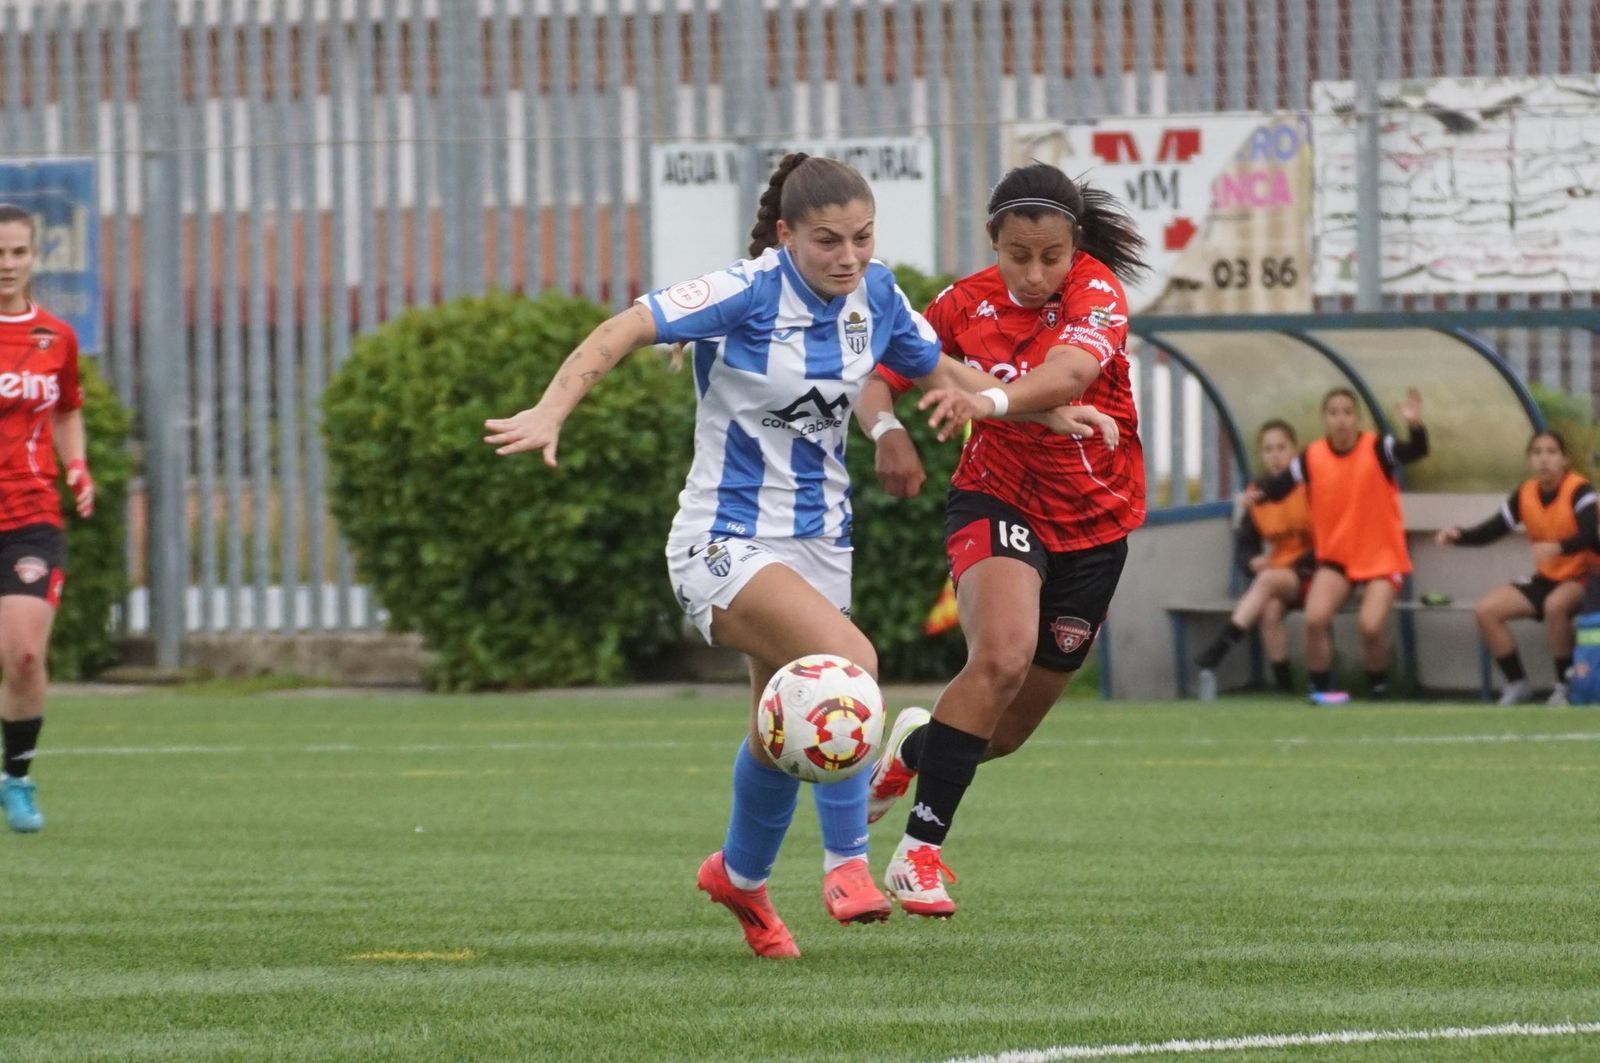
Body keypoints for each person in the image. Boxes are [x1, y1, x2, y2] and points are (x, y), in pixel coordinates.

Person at [483, 154, 1112, 956]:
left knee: (775, 733)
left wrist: (1036, 413)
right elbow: (626, 326)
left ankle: (739, 877)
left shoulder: (877, 294)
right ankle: (848, 863)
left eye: (862, 237)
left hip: (819, 543)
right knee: (850, 667)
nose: (848, 257)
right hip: (723, 536)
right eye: (828, 241)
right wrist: (551, 408)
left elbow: (938, 370)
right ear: (786, 235)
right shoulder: (745, 291)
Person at [857, 162, 1149, 917]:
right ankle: (919, 853)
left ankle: (912, 751)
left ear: (1074, 246)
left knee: (1004, 731)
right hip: (997, 496)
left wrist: (985, 399)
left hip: (1096, 524)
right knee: (1002, 655)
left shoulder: (1096, 293)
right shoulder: (961, 304)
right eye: (1019, 255)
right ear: (993, 239)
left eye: (1052, 256)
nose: (1035, 273)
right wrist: (887, 431)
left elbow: (1067, 374)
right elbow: (881, 376)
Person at [0, 204, 95, 834]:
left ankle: (17, 779)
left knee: (27, 656)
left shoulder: (55, 336)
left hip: (30, 515)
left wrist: (77, 465)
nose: (7, 265)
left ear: (35, 256)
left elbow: (65, 409)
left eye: (17, 253)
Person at [1250, 387, 1428, 703]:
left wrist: (1414, 424)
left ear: (1357, 418)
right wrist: (1258, 493)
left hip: (1381, 556)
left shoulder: (1377, 447)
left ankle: (1378, 689)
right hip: (1337, 557)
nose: (1341, 419)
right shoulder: (1312, 455)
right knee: (1315, 618)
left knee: (1370, 625)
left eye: (1347, 412)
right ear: (1325, 419)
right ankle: (1320, 691)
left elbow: (1416, 450)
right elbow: (1280, 486)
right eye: (1333, 413)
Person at [1435, 430, 1597, 706]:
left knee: (1555, 606)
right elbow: (1492, 530)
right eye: (1537, 452)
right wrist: (1458, 536)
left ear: (1565, 459)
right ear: (1529, 459)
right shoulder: (1525, 493)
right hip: (1546, 577)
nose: (1544, 459)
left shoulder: (1580, 490)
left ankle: (1564, 686)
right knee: (1487, 610)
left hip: (1583, 575)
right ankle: (1517, 684)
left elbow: (1590, 534)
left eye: (1551, 452)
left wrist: (1559, 547)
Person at [1194, 420, 1315, 699]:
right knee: (1269, 612)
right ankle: (1286, 689)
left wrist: (1290, 567)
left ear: (1294, 450)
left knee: (1268, 580)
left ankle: (1220, 648)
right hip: (1280, 575)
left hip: (1315, 572)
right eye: (1268, 449)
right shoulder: (1258, 492)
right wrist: (1252, 561)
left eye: (1281, 448)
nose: (1275, 456)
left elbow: (1327, 538)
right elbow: (1245, 543)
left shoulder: (1309, 485)